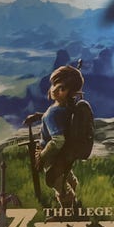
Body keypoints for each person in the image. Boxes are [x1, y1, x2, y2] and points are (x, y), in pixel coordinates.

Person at [35, 65, 84, 209]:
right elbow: (59, 120)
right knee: (69, 180)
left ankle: (68, 213)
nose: (55, 90)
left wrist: (42, 156)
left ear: (71, 93)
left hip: (51, 156)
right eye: (54, 85)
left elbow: (58, 140)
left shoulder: (52, 113)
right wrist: (41, 116)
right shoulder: (68, 108)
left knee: (60, 185)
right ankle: (75, 208)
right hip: (65, 154)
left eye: (62, 88)